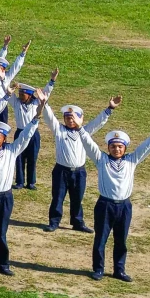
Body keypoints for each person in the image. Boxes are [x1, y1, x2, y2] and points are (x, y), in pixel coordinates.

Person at [88, 120, 150, 282]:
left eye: (120, 146)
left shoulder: (131, 160)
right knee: (101, 239)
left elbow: (145, 148)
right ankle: (98, 269)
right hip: (105, 205)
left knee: (121, 240)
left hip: (124, 206)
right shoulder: (101, 159)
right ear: (108, 148)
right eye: (113, 146)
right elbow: (88, 143)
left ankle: (119, 270)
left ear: (125, 148)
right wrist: (78, 127)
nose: (116, 149)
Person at [0, 117, 42, 275]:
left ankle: (2, 265)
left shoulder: (12, 150)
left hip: (5, 197)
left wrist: (36, 117)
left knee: (1, 233)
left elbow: (26, 136)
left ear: (4, 138)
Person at [42, 92, 117, 233]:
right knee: (57, 197)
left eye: (73, 118)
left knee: (77, 198)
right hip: (61, 171)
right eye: (67, 118)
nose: (70, 121)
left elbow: (98, 122)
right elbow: (49, 117)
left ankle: (77, 222)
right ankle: (54, 222)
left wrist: (109, 109)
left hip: (79, 171)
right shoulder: (59, 130)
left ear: (80, 119)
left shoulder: (85, 131)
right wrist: (44, 104)